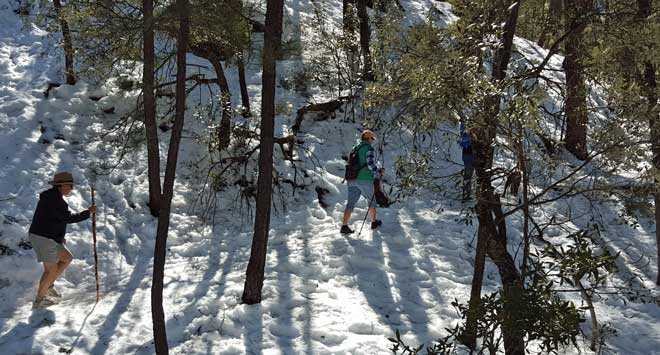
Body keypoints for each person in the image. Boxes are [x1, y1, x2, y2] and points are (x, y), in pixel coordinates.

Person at [28, 172, 96, 308]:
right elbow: (68, 218)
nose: (71, 188)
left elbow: (53, 219)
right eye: (70, 185)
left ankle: (48, 286)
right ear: (61, 185)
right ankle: (39, 301)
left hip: (49, 236)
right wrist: (88, 212)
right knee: (50, 270)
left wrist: (59, 237)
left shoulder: (52, 197)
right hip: (44, 238)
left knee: (66, 258)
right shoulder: (55, 200)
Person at [341, 130, 384, 234]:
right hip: (364, 179)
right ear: (369, 139)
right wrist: (378, 172)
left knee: (350, 203)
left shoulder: (355, 148)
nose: (372, 141)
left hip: (352, 179)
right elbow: (370, 164)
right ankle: (374, 222)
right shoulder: (368, 148)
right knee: (371, 201)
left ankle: (344, 226)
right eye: (371, 139)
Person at [460, 124, 475, 201]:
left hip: (466, 158)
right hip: (469, 158)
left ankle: (466, 194)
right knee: (468, 176)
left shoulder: (464, 135)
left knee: (467, 176)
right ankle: (466, 195)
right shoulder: (469, 136)